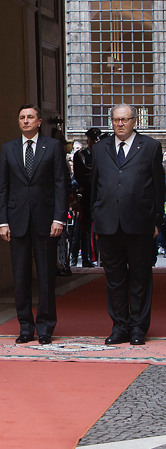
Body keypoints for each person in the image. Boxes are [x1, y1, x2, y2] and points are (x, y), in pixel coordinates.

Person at [91, 103, 165, 345]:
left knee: (140, 278)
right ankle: (119, 326)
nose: (120, 124)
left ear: (134, 121)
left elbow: (158, 188)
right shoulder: (100, 148)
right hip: (109, 224)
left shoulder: (151, 147)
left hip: (140, 223)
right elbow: (94, 186)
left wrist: (156, 221)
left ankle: (138, 328)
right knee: (115, 280)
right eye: (115, 120)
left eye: (124, 119)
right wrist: (96, 217)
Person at [0, 104, 68, 345]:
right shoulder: (8, 149)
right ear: (18, 122)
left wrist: (59, 218)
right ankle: (26, 327)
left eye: (30, 117)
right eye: (22, 118)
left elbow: (61, 184)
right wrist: (3, 221)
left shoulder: (53, 147)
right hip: (16, 222)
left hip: (46, 221)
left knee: (46, 276)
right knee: (20, 276)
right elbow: (3, 188)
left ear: (39, 122)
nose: (26, 121)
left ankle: (46, 327)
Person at [71, 127, 102, 267]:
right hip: (87, 193)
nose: (95, 142)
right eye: (93, 140)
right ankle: (86, 257)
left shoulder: (104, 154)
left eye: (97, 140)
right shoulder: (81, 155)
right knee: (85, 228)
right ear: (88, 140)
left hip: (101, 194)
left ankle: (101, 257)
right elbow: (79, 175)